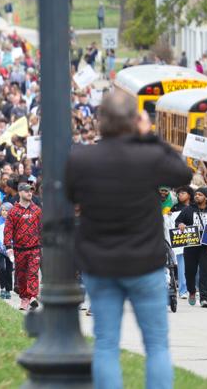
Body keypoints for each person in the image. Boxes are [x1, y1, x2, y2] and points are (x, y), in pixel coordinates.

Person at [65, 92, 192, 389]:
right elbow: (182, 172)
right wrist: (149, 137)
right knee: (157, 345)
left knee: (106, 343)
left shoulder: (82, 158)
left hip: (100, 263)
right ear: (135, 122)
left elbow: (70, 196)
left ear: (101, 121)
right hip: (145, 263)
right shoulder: (148, 156)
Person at [176, 186, 207, 308]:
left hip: (206, 246)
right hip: (190, 245)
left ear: (206, 197)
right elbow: (178, 221)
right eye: (196, 194)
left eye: (200, 195)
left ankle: (204, 298)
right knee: (190, 271)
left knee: (205, 271)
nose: (197, 196)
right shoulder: (187, 210)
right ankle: (191, 291)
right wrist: (180, 224)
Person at [4, 183, 43, 310]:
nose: (29, 193)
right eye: (26, 191)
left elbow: (42, 228)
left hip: (34, 248)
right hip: (19, 249)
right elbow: (8, 230)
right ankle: (24, 299)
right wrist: (8, 246)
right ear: (20, 193)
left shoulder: (37, 210)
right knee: (21, 275)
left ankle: (32, 297)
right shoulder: (13, 212)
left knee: (33, 273)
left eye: (31, 191)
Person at [0, 202, 14, 299]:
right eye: (3, 210)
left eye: (7, 210)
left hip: (10, 249)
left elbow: (15, 235)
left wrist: (11, 245)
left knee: (9, 269)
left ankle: (8, 289)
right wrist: (0, 245)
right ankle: (2, 288)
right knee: (1, 268)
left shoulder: (13, 222)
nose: (4, 212)